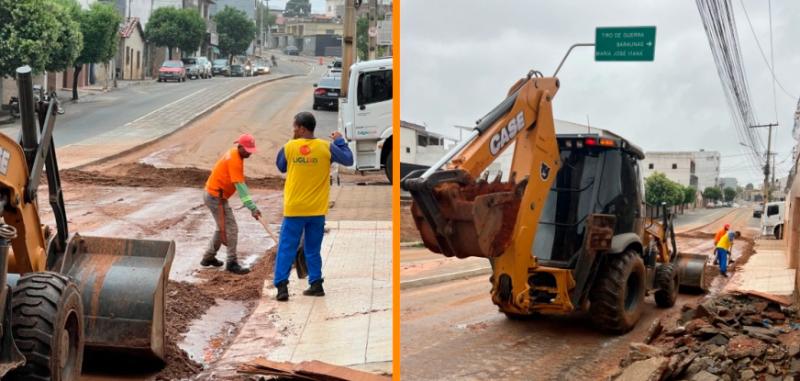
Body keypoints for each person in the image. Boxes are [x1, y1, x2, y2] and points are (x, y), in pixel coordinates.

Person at [273, 112, 353, 301]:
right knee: (312, 249)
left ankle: (282, 287)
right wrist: (340, 141)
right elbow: (348, 160)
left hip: (294, 209)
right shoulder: (327, 147)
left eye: (295, 127)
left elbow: (281, 166)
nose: (293, 130)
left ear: (301, 128)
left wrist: (295, 145)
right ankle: (316, 284)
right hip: (317, 210)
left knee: (286, 248)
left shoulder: (289, 147)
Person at [202, 134, 262, 275]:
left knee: (221, 228)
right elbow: (241, 187)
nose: (249, 153)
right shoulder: (235, 160)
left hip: (214, 195)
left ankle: (208, 257)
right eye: (247, 150)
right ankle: (231, 263)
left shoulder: (235, 154)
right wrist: (252, 208)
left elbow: (240, 184)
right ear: (239, 146)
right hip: (216, 197)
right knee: (232, 229)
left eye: (251, 150)